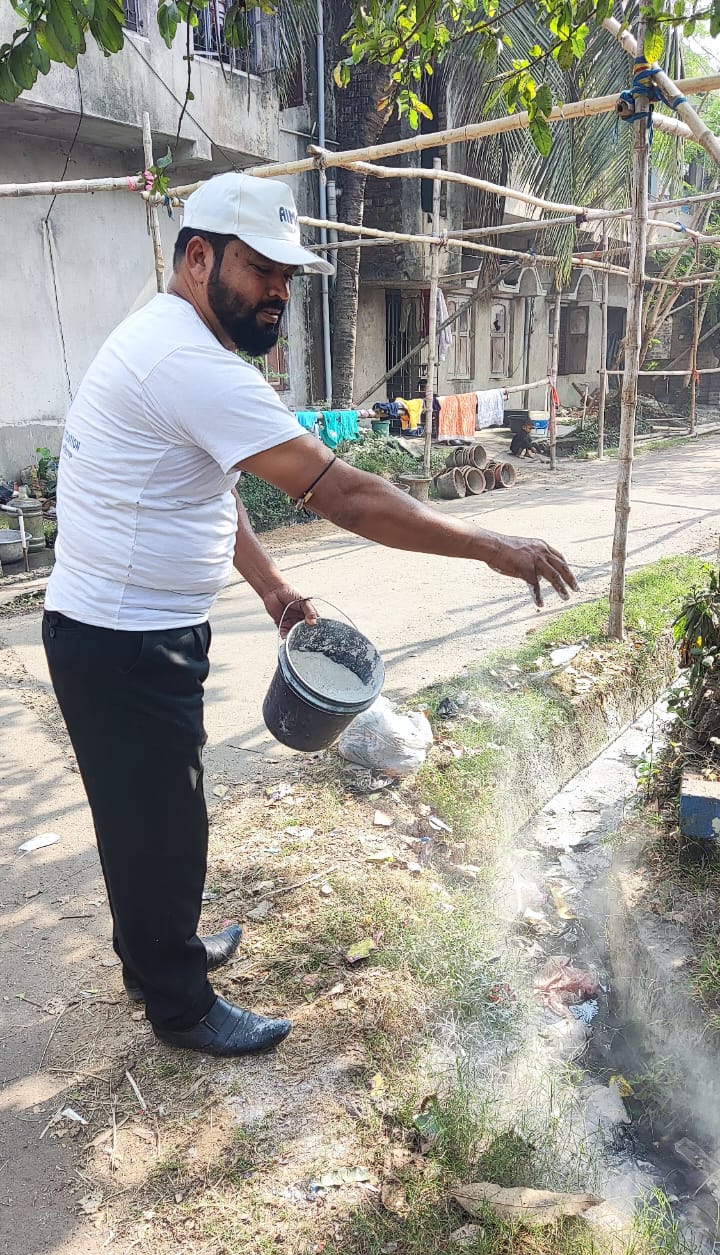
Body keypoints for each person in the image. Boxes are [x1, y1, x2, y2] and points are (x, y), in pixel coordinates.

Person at [43, 172, 578, 1060]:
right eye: (261, 271)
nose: (279, 294)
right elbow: (351, 498)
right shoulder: (189, 362)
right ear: (198, 257)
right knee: (159, 823)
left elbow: (208, 494)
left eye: (289, 278)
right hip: (122, 641)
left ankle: (155, 953)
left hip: (130, 634)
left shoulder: (175, 346)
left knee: (155, 816)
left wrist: (272, 589)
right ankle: (178, 1004)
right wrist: (493, 545)